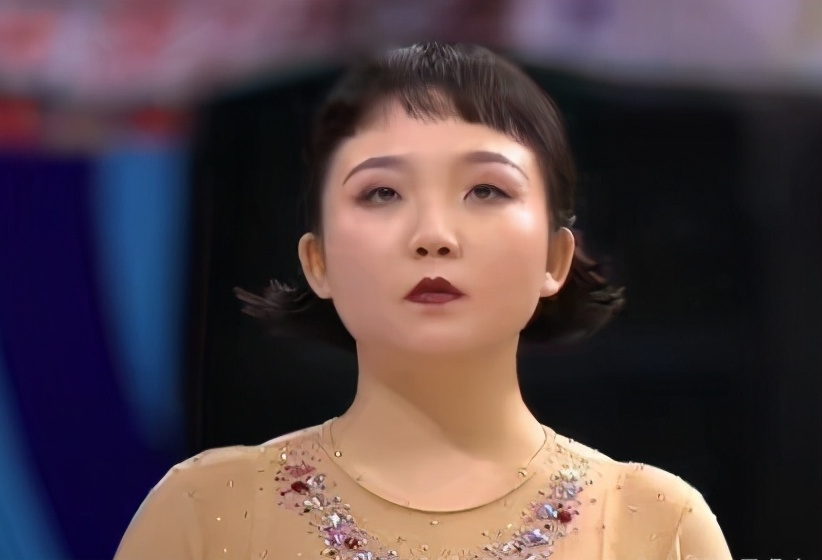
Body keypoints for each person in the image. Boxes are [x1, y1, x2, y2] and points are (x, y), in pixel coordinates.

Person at [115, 42, 731, 560]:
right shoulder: (204, 512)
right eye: (382, 193)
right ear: (318, 261)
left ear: (555, 259)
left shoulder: (656, 525)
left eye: (486, 190)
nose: (434, 235)